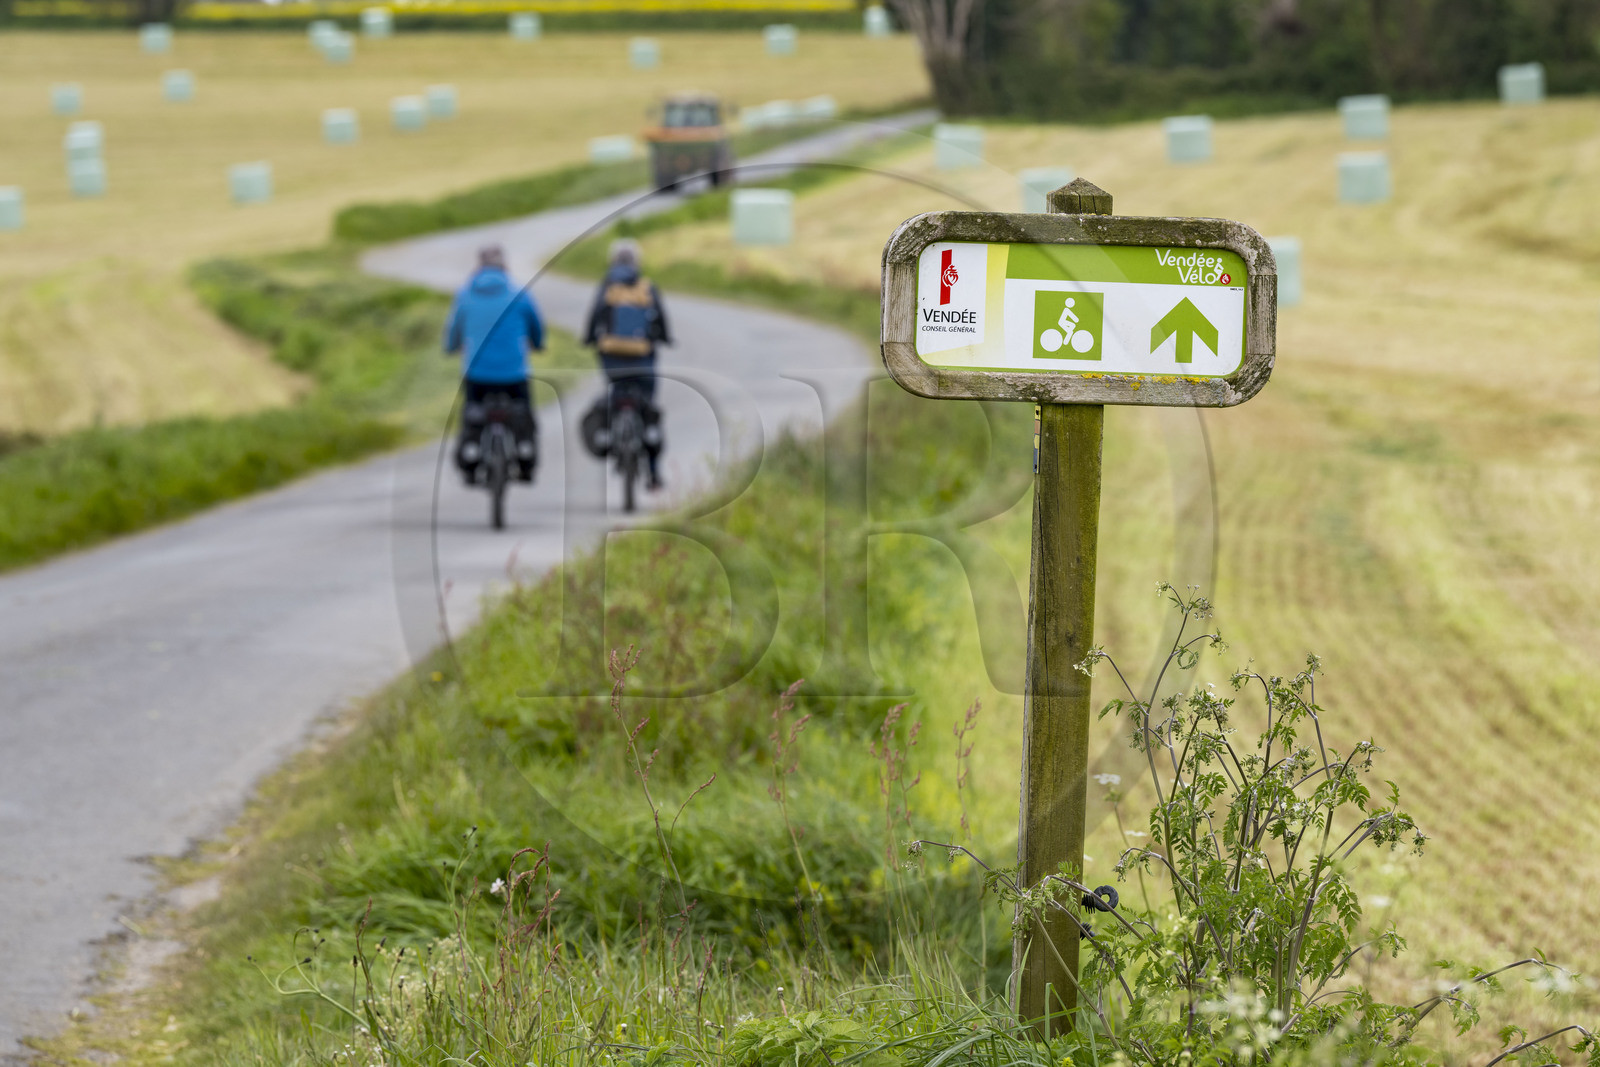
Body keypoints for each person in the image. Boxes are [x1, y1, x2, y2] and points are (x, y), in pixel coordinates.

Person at [443, 245, 544, 483]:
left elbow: (453, 331)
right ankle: (525, 457)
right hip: (514, 373)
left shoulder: (465, 294)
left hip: (477, 373)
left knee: (471, 415)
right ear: (504, 266)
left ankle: (470, 461)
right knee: (524, 414)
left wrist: (451, 347)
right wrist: (537, 344)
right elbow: (536, 327)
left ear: (479, 266)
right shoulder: (519, 293)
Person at [583, 238, 671, 489]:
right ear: (637, 261)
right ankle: (653, 472)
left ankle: (612, 436)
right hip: (643, 359)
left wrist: (590, 339)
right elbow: (662, 320)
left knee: (616, 392)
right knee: (649, 409)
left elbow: (594, 317)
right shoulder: (646, 287)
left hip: (611, 360)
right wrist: (664, 338)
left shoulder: (607, 286)